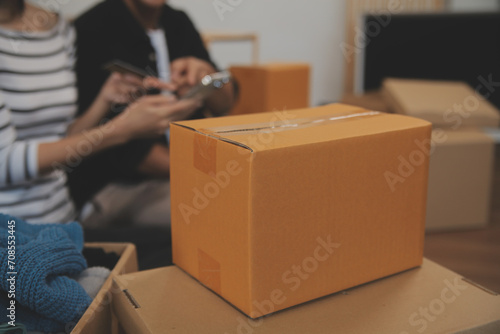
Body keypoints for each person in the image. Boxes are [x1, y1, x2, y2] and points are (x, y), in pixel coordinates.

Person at [0, 0, 200, 223]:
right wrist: (120, 130)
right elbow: (3, 162)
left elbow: (62, 141)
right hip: (11, 231)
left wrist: (104, 101)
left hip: (61, 221)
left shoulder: (57, 29)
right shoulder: (94, 25)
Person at [72, 0, 237, 227]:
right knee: (222, 210)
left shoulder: (177, 22)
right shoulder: (93, 27)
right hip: (117, 185)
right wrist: (210, 175)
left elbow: (225, 103)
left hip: (182, 173)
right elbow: (122, 151)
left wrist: (206, 75)